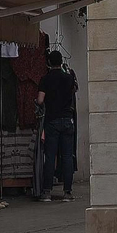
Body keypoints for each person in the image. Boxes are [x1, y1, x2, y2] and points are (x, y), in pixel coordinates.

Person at [35, 49, 79, 202]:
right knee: (67, 157)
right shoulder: (68, 78)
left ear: (48, 63)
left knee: (50, 156)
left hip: (52, 121)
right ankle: (67, 192)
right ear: (61, 62)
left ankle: (47, 192)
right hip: (67, 120)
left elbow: (40, 100)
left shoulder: (45, 79)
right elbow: (74, 90)